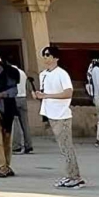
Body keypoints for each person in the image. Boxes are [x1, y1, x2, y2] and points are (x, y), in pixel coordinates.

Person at [34, 45, 83, 188]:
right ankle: (70, 175)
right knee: (63, 148)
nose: (46, 58)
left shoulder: (62, 74)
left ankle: (75, 176)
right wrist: (39, 95)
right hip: (50, 113)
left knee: (67, 147)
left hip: (62, 115)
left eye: (48, 55)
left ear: (56, 57)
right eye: (44, 55)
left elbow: (68, 93)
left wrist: (47, 95)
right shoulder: (43, 74)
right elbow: (45, 92)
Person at [10, 61, 34, 153]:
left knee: (15, 122)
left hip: (14, 98)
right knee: (25, 123)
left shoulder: (9, 72)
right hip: (23, 98)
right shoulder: (22, 72)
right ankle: (29, 145)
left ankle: (17, 146)